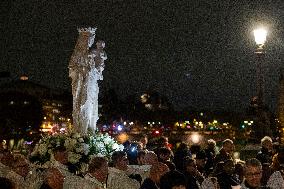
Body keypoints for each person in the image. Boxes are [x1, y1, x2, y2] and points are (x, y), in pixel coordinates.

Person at [69, 27, 107, 134]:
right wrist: (83, 71)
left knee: (90, 106)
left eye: (91, 39)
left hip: (91, 84)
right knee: (82, 105)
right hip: (81, 84)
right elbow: (72, 68)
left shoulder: (92, 53)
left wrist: (95, 70)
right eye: (88, 40)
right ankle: (81, 132)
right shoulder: (78, 54)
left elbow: (98, 69)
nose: (90, 42)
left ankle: (89, 130)